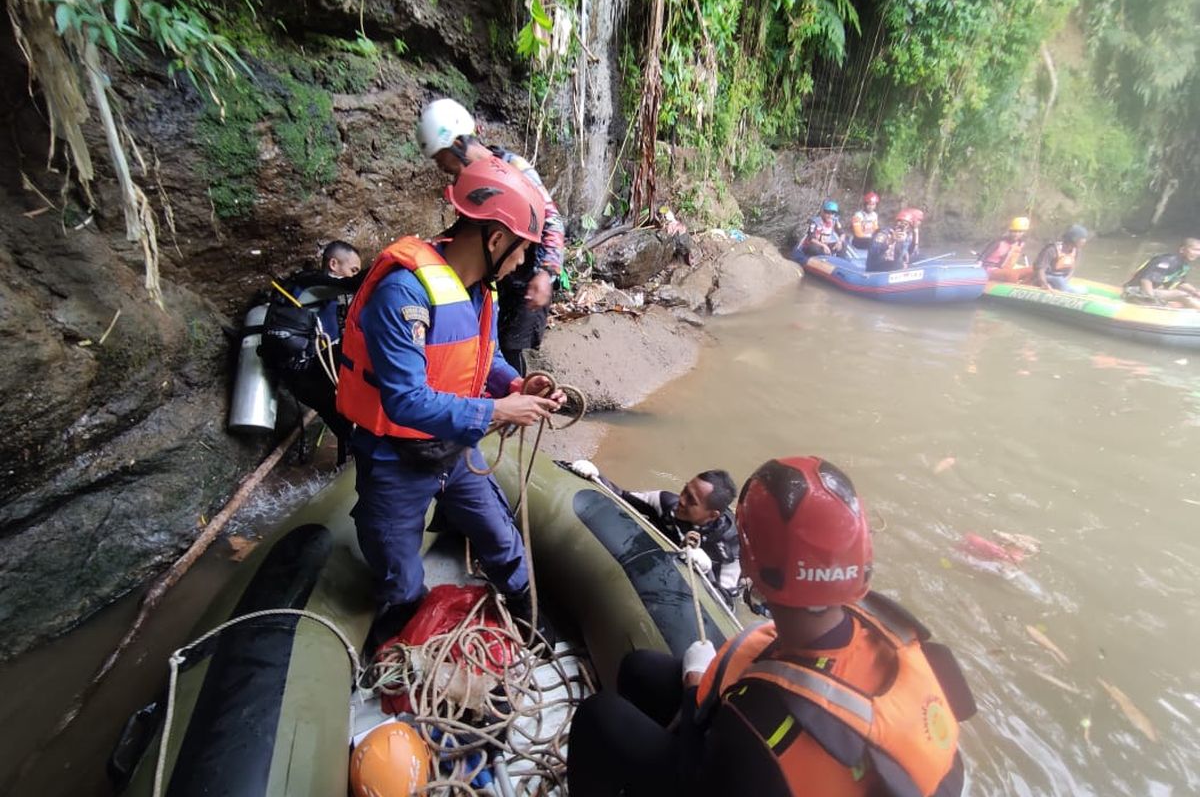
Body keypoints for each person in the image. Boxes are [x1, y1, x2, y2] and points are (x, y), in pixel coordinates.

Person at [568, 456, 975, 797]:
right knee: (640, 669)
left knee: (600, 716)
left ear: (749, 560)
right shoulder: (895, 630)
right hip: (791, 768)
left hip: (752, 772)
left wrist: (694, 686)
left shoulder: (759, 718)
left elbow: (700, 773)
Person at [335, 157, 566, 650]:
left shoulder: (481, 290)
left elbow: (484, 360)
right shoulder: (404, 293)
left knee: (502, 539)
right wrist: (498, 412)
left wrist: (516, 386)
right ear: (496, 240)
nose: (525, 263)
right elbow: (405, 400)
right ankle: (403, 627)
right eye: (523, 250)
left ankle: (526, 613)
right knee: (398, 573)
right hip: (395, 457)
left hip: (454, 450)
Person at [416, 98, 566, 375]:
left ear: (458, 143)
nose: (440, 166)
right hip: (491, 275)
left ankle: (515, 408)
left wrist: (546, 273)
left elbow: (552, 221)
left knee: (508, 350)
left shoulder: (513, 168)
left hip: (526, 277)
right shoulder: (467, 182)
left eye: (441, 157)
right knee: (483, 342)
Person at [567, 461, 741, 606]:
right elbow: (621, 496)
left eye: (691, 501)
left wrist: (707, 569)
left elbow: (727, 605)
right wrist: (596, 474)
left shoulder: (730, 548)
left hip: (688, 594)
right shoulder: (666, 502)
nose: (681, 500)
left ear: (712, 515)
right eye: (685, 490)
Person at [259, 240, 364, 448]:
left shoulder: (324, 294)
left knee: (343, 421)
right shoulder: (311, 285)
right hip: (304, 369)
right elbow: (353, 284)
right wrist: (391, 263)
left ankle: (350, 459)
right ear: (333, 264)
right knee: (343, 419)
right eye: (353, 269)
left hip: (308, 374)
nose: (354, 274)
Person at [1123, 238, 1200, 308]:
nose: (1197, 253)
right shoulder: (1168, 261)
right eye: (1194, 250)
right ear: (1182, 250)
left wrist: (1195, 292)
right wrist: (1151, 300)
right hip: (1135, 291)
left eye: (1199, 250)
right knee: (1182, 295)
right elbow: (1146, 280)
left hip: (1151, 291)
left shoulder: (1183, 264)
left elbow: (1180, 283)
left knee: (1190, 296)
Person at [1033, 224, 1088, 293]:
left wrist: (1065, 280)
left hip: (1061, 280)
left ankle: (1066, 289)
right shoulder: (1052, 250)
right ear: (1074, 239)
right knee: (1058, 280)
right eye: (1082, 238)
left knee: (1083, 289)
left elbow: (1072, 269)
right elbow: (1040, 269)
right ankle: (1066, 290)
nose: (1084, 241)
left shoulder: (1076, 251)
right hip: (1047, 277)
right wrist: (1044, 284)